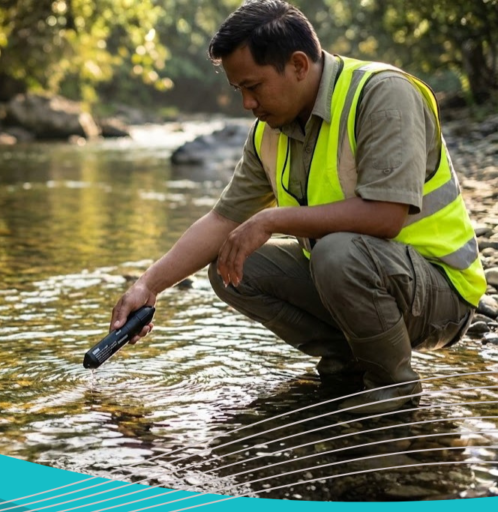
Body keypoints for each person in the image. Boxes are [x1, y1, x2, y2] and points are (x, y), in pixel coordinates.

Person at [108, 0, 486, 414]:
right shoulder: (269, 130)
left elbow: (386, 216)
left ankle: (392, 385)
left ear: (299, 65)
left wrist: (272, 219)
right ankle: (349, 360)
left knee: (336, 252)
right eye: (239, 90)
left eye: (254, 86)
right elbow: (223, 219)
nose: (247, 103)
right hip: (367, 277)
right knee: (231, 267)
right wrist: (148, 286)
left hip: (441, 292)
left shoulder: (383, 94)